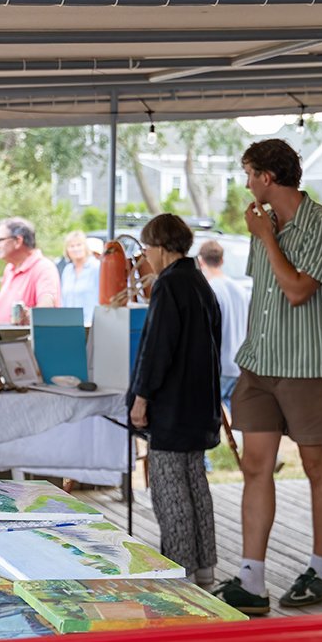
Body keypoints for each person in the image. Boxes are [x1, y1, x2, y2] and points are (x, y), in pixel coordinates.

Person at [210, 138, 322, 616]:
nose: (247, 184)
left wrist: (267, 237)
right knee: (254, 467)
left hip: (307, 366)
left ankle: (320, 571)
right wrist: (264, 234)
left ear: (267, 177)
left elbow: (297, 290)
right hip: (260, 363)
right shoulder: (262, 223)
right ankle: (252, 580)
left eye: (250, 174)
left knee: (316, 466)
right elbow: (266, 290)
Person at [129, 214, 223, 588]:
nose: (146, 256)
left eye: (148, 248)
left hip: (172, 407)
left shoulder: (169, 285)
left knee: (170, 493)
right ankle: (204, 569)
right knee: (196, 488)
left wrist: (141, 398)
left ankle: (180, 576)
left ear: (163, 247)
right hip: (199, 404)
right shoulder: (199, 282)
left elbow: (157, 349)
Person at [197, 239, 248, 410]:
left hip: (219, 365)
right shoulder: (240, 290)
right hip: (239, 365)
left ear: (200, 261)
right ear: (222, 261)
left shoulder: (209, 291)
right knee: (235, 418)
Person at [0, 217, 61, 325]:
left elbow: (46, 308)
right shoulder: (9, 269)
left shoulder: (43, 267)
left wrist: (28, 315)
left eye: (1, 240)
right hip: (3, 335)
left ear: (18, 241)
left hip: (24, 336)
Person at [60, 230, 102, 325]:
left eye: (79, 245)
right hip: (70, 325)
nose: (75, 249)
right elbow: (63, 300)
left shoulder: (97, 267)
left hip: (91, 325)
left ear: (85, 247)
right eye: (71, 246)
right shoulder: (67, 270)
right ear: (67, 250)